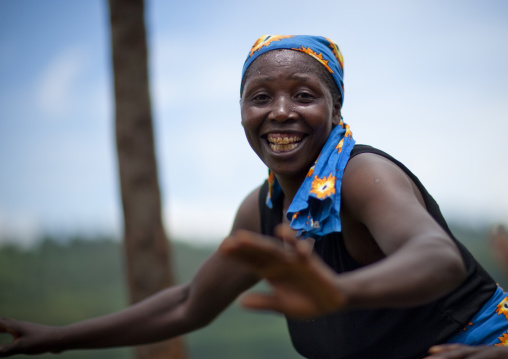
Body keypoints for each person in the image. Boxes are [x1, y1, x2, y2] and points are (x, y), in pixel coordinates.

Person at [0, 35, 506, 359]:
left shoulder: (363, 177)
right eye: (260, 97)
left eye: (304, 95)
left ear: (335, 110)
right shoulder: (260, 208)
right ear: (242, 111)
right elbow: (186, 304)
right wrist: (58, 339)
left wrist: (342, 292)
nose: (280, 112)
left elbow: (437, 257)